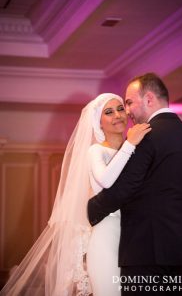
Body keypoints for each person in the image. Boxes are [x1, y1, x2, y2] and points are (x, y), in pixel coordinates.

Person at [0, 93, 150, 296]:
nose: (117, 115)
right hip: (107, 237)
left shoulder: (134, 152)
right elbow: (106, 180)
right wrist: (130, 144)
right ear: (99, 123)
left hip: (133, 238)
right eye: (109, 112)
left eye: (120, 109)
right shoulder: (96, 151)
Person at [87, 73, 182, 295]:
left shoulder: (144, 137)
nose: (126, 111)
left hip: (146, 251)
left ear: (149, 99)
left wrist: (92, 209)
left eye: (128, 102)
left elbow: (124, 188)